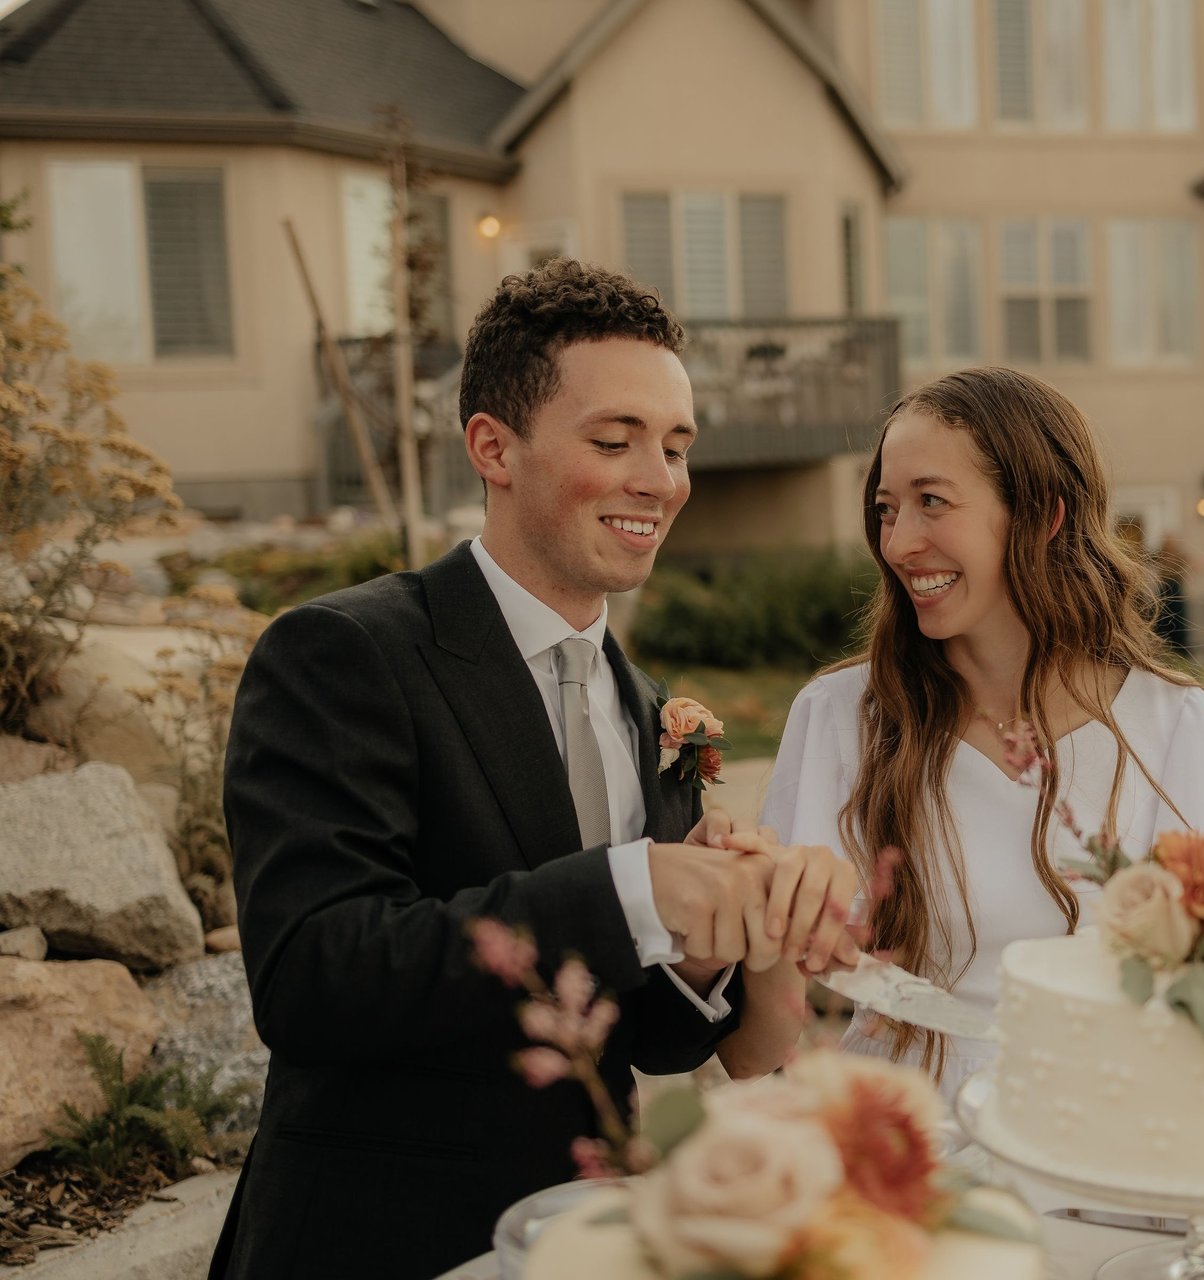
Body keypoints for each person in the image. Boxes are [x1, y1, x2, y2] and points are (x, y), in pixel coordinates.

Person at [210, 261, 856, 1280]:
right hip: (376, 1238)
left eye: (677, 445)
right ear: (493, 446)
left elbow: (648, 1034)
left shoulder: (654, 711)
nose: (662, 478)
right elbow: (313, 975)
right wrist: (632, 886)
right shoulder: (341, 652)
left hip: (585, 1242)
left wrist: (693, 947)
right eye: (616, 440)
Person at [761, 367, 1204, 1100]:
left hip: (1116, 1136)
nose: (899, 542)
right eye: (886, 508)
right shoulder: (842, 717)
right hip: (908, 1142)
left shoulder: (1171, 726)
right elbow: (771, 1003)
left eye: (932, 502)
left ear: (1043, 516)